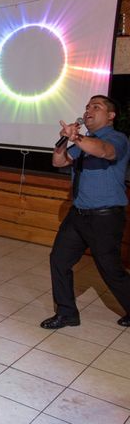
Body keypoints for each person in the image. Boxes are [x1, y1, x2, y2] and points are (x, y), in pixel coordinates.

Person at [40, 95, 130, 329]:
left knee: (111, 270)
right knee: (58, 260)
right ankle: (67, 313)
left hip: (106, 217)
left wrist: (76, 137)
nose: (89, 110)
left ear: (110, 116)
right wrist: (63, 139)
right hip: (78, 214)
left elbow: (104, 152)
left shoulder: (116, 138)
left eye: (96, 107)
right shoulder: (84, 141)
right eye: (87, 106)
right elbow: (59, 161)